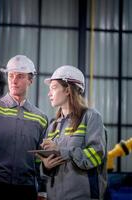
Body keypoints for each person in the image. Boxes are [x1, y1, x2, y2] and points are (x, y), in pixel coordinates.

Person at [0, 55, 48, 200]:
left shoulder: (40, 118)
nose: (14, 81)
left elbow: (39, 159)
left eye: (20, 76)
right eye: (11, 76)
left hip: (25, 188)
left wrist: (41, 188)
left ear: (30, 80)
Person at [37, 65, 107, 200]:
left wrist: (62, 151)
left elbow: (96, 155)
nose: (49, 93)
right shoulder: (53, 126)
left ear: (68, 90)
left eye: (54, 87)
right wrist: (45, 166)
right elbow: (46, 168)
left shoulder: (91, 117)